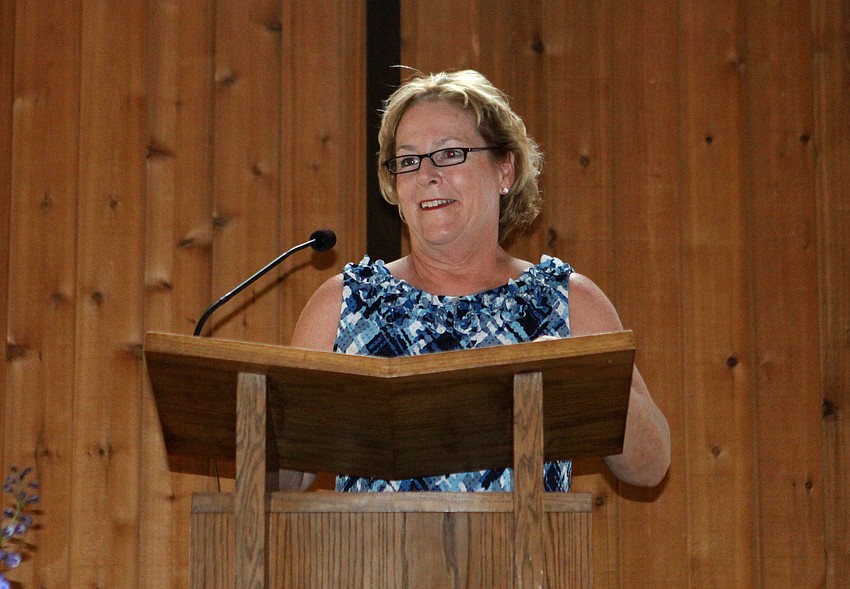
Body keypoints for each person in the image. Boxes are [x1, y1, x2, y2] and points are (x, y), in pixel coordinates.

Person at [283, 69, 670, 493]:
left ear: (505, 168)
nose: (426, 174)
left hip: (525, 558)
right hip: (373, 559)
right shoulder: (343, 305)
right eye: (408, 160)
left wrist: (584, 379)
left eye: (449, 154)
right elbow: (287, 476)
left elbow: (649, 467)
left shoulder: (567, 301)